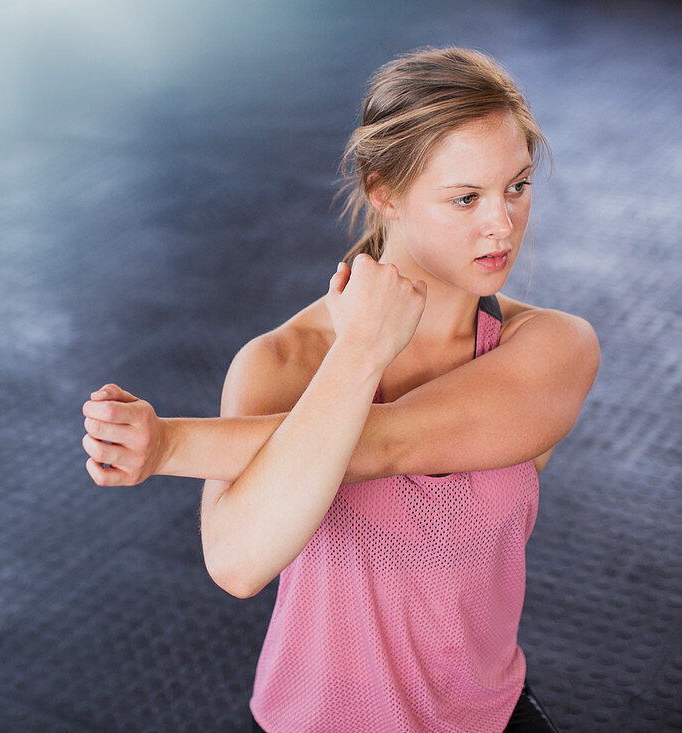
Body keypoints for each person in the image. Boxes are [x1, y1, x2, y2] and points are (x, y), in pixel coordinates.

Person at [81, 47, 599, 732]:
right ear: (383, 190)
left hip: (489, 714)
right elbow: (237, 564)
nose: (501, 224)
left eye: (518, 186)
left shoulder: (554, 349)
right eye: (466, 197)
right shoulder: (280, 363)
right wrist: (359, 353)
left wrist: (170, 444)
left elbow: (389, 443)